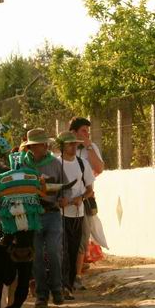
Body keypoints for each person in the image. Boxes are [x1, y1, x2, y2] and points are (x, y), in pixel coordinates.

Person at [19, 128, 67, 308]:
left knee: (54, 251)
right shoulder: (22, 165)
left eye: (42, 144)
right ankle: (41, 295)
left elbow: (65, 187)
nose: (42, 147)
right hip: (32, 216)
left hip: (53, 213)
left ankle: (57, 290)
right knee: (37, 255)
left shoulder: (55, 164)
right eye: (37, 145)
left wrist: (64, 198)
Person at [56, 132, 94, 300]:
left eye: (75, 144)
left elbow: (89, 189)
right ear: (62, 146)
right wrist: (59, 200)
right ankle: (61, 286)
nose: (73, 146)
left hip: (78, 214)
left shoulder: (82, 163)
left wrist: (81, 198)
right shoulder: (56, 164)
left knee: (73, 250)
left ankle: (68, 286)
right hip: (60, 214)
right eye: (70, 144)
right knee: (61, 251)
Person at [69, 117, 105, 289]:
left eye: (87, 131)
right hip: (64, 201)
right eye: (83, 131)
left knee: (82, 237)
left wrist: (89, 146)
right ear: (73, 133)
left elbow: (99, 168)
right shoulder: (63, 149)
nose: (86, 134)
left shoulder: (90, 148)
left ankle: (76, 276)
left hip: (86, 198)